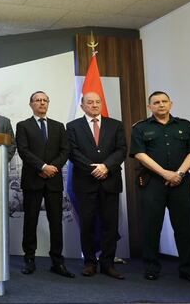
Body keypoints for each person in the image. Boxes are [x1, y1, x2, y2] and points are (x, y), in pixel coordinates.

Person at [130, 91, 190, 285]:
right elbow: (139, 154)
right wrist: (165, 173)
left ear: (171, 104)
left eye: (164, 101)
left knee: (186, 227)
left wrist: (178, 173)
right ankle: (151, 268)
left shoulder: (185, 125)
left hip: (181, 182)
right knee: (151, 226)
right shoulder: (140, 128)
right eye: (156, 102)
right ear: (150, 107)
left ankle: (188, 269)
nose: (161, 105)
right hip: (153, 181)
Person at [66, 92, 127, 279]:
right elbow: (72, 152)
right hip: (86, 182)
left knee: (110, 224)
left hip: (110, 181)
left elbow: (122, 149)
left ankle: (107, 263)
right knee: (87, 224)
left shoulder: (115, 124)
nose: (94, 105)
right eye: (89, 102)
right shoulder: (73, 126)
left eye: (97, 102)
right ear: (82, 105)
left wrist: (106, 166)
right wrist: (93, 168)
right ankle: (90, 262)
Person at [15, 91, 73, 278]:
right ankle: (29, 259)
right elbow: (23, 150)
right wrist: (42, 166)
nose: (41, 103)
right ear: (30, 104)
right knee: (30, 221)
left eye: (44, 100)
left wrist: (53, 167)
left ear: (48, 103)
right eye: (37, 100)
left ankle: (57, 261)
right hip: (33, 179)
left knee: (56, 222)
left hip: (53, 180)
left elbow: (65, 150)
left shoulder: (58, 126)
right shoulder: (23, 125)